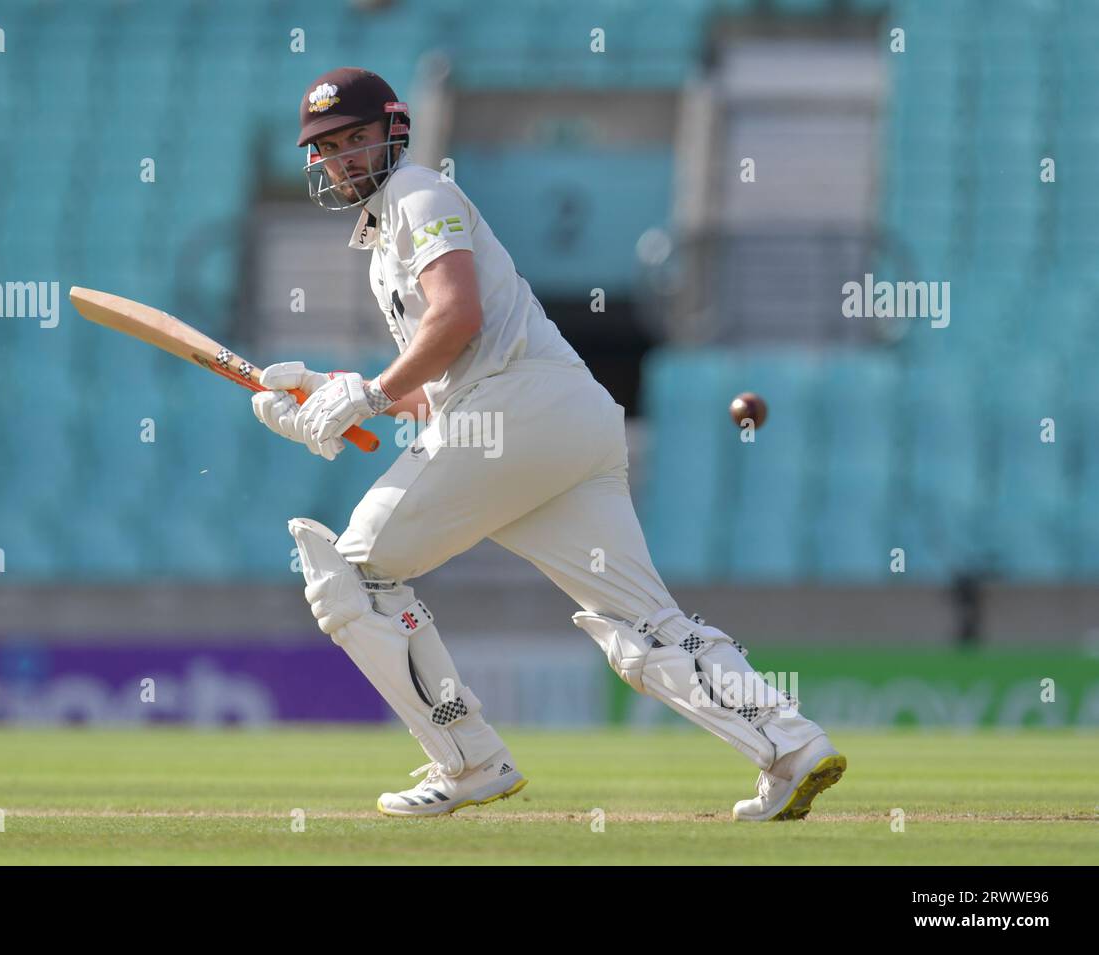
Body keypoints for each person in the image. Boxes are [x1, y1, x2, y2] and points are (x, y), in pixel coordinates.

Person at [250, 67, 847, 820]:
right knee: (641, 626)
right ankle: (791, 744)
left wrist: (362, 395)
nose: (343, 157)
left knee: (355, 575)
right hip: (557, 424)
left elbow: (457, 317)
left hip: (518, 410)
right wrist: (321, 396)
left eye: (356, 137)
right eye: (328, 147)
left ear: (393, 132)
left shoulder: (416, 193)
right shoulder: (380, 245)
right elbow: (434, 387)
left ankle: (469, 760)